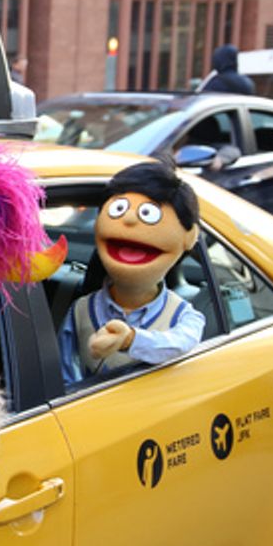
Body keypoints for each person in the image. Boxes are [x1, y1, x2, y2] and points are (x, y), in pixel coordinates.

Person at [58, 161, 206, 387]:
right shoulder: (80, 310)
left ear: (189, 238)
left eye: (149, 214)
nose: (129, 219)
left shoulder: (184, 316)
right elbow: (63, 372)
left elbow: (180, 343)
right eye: (119, 208)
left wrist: (131, 340)